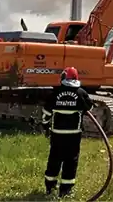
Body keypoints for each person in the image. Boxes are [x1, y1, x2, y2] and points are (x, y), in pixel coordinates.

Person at [41, 67, 93, 198]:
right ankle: (65, 191)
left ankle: (49, 188)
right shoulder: (81, 93)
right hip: (73, 135)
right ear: (76, 78)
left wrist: (45, 126)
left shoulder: (56, 93)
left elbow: (46, 113)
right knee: (71, 161)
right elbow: (90, 107)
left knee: (54, 159)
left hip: (57, 134)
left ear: (63, 78)